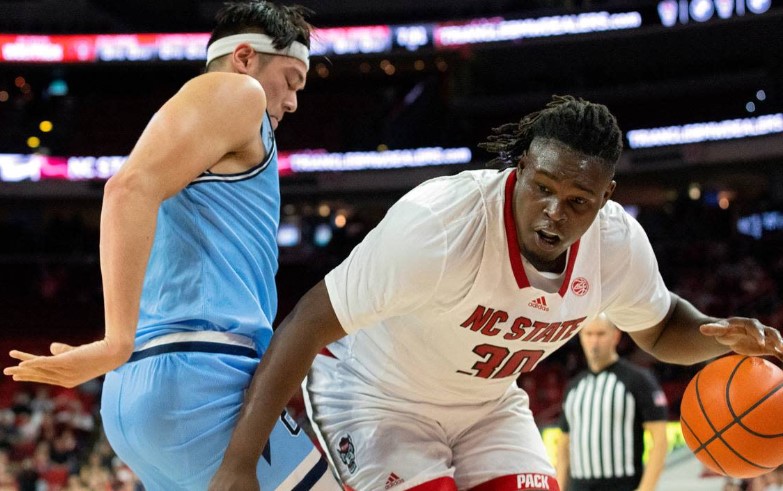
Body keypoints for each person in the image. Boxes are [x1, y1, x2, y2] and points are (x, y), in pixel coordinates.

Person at [209, 95, 783, 491]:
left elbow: (660, 327)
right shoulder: (439, 225)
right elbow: (307, 322)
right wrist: (238, 465)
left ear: (606, 196)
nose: (554, 214)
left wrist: (717, 337)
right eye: (543, 188)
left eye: (578, 201)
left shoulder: (616, 245)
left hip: (488, 407)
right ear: (522, 166)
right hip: (377, 396)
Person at [3, 1, 338, 489]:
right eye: (291, 80)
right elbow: (126, 190)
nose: (292, 102)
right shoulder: (237, 92)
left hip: (146, 388)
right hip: (200, 380)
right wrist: (115, 339)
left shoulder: (204, 127)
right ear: (244, 57)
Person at [555, 314, 668, 491]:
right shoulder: (574, 387)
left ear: (616, 336)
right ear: (581, 337)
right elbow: (563, 445)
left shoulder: (638, 380)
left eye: (600, 334)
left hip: (624, 484)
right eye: (589, 334)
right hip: (578, 485)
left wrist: (646, 489)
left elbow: (660, 440)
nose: (594, 341)